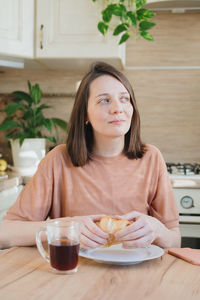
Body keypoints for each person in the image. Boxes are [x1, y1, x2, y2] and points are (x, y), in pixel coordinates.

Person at [0, 61, 181, 250]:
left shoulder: (151, 158)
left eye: (124, 99)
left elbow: (175, 239)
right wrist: (65, 228)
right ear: (85, 114)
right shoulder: (58, 160)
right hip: (73, 274)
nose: (117, 108)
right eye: (104, 100)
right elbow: (6, 233)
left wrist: (157, 231)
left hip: (137, 275)